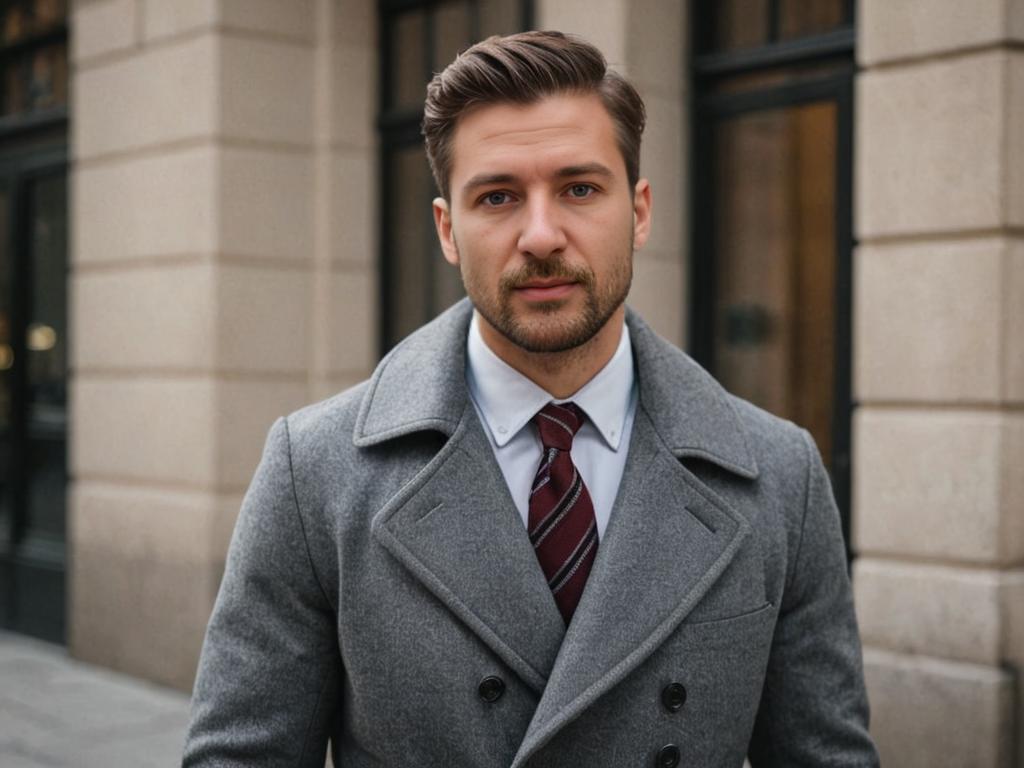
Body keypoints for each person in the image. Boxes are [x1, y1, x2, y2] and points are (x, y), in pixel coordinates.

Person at [183, 30, 879, 768]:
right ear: (449, 231)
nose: (542, 235)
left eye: (580, 188)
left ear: (639, 211)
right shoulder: (314, 471)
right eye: (498, 196)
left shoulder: (780, 476)